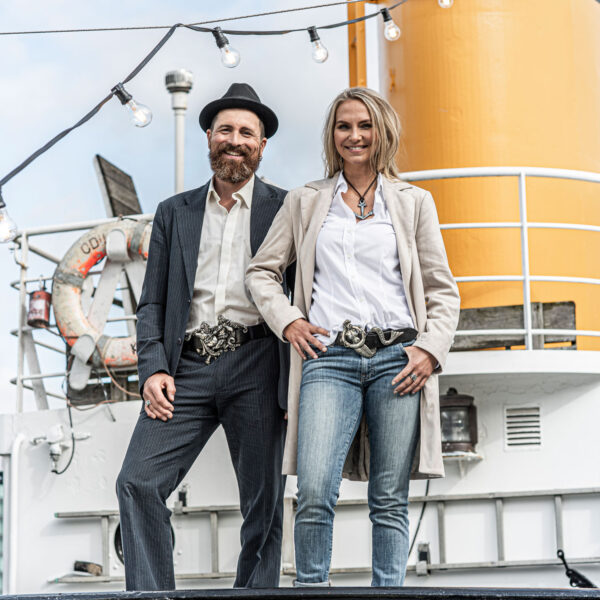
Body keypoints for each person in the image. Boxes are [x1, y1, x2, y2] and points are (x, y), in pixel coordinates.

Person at [246, 87, 460, 587]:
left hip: (398, 359)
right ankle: (312, 591)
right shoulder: (306, 200)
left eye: (364, 125)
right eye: (345, 126)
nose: (355, 135)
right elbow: (261, 272)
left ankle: (389, 595)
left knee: (389, 498)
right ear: (333, 134)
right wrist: (290, 321)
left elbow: (442, 289)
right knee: (315, 489)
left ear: (382, 131)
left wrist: (430, 350)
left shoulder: (413, 202)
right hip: (329, 356)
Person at [116, 83, 292, 591]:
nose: (235, 140)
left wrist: (294, 385)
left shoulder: (287, 208)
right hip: (185, 370)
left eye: (246, 132)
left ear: (261, 145)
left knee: (264, 504)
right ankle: (152, 595)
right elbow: (151, 304)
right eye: (226, 130)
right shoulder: (174, 212)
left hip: (258, 361)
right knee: (137, 481)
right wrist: (152, 370)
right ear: (209, 138)